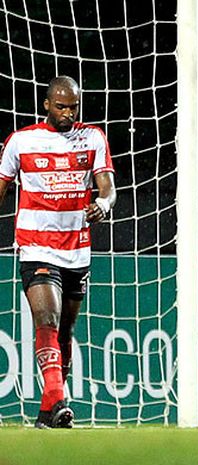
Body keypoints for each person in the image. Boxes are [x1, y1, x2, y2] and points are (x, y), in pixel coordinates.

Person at [0, 76, 116, 428]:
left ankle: (48, 411)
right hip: (36, 248)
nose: (68, 113)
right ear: (47, 105)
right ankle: (60, 400)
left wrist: (104, 205)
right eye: (62, 106)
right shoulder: (21, 142)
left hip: (77, 250)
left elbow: (108, 189)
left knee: (64, 330)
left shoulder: (92, 137)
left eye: (74, 107)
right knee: (46, 319)